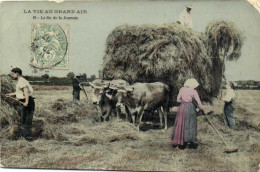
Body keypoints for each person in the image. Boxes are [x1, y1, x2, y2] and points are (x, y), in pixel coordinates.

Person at [170, 78, 204, 149]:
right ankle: (188, 140)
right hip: (189, 108)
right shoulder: (194, 91)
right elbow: (199, 103)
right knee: (189, 124)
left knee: (180, 123)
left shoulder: (182, 89)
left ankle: (179, 142)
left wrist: (184, 100)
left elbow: (178, 100)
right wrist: (201, 108)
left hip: (182, 107)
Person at [6, 68, 35, 141]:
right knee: (23, 120)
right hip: (25, 100)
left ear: (17, 74)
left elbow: (26, 92)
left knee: (26, 120)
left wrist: (26, 102)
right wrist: (11, 94)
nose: (11, 75)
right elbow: (19, 92)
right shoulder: (20, 81)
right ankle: (25, 137)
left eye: (12, 74)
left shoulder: (21, 81)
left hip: (26, 101)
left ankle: (28, 138)